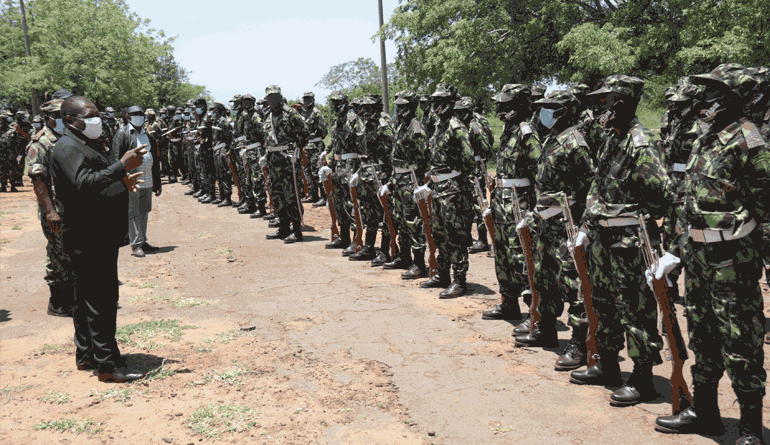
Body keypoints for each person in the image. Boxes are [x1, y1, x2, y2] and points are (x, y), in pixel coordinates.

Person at [653, 64, 768, 445]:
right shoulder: (705, 138)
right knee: (702, 335)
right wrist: (673, 251)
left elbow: (765, 208)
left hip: (732, 260)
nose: (706, 100)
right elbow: (686, 202)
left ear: (734, 98)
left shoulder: (750, 142)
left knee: (740, 342)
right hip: (698, 256)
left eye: (715, 93)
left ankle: (750, 428)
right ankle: (707, 414)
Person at [568, 75, 671, 409]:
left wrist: (626, 212)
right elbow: (596, 186)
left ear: (622, 104)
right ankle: (607, 365)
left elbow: (660, 197)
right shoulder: (610, 140)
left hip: (629, 240)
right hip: (601, 237)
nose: (600, 108)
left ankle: (642, 378)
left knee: (635, 308)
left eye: (604, 102)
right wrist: (586, 224)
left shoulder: (641, 142)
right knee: (602, 301)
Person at [50, 95, 146, 382]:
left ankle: (88, 354)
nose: (96, 120)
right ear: (69, 119)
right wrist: (122, 166)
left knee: (86, 298)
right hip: (88, 236)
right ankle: (107, 365)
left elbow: (94, 183)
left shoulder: (83, 143)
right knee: (101, 300)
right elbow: (83, 183)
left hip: (96, 233)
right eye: (89, 115)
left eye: (97, 114)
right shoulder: (67, 146)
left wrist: (121, 182)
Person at [513, 90, 594, 368]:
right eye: (543, 107)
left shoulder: (575, 143)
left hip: (566, 224)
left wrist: (580, 224)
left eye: (551, 108)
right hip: (546, 223)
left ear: (567, 110)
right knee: (543, 276)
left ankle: (579, 343)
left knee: (572, 284)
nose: (544, 113)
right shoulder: (551, 139)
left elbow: (587, 188)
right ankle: (545, 328)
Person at [482, 84, 541, 321]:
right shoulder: (509, 130)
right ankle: (509, 302)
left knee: (522, 255)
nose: (499, 108)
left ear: (518, 106)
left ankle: (533, 310)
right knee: (503, 254)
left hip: (520, 201)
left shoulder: (527, 132)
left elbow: (540, 170)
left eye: (505, 105)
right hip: (501, 201)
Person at [417, 83, 476, 298]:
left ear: (451, 104)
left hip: (453, 189)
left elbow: (469, 160)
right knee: (438, 233)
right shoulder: (439, 126)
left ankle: (459, 280)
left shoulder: (456, 127)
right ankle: (442, 274)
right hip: (438, 186)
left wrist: (455, 178)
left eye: (441, 102)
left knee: (455, 236)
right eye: (435, 102)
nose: (436, 107)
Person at [24, 99, 72, 317]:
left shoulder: (67, 137)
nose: (63, 118)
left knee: (68, 251)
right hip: (53, 208)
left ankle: (70, 297)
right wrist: (50, 211)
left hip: (70, 206)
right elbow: (37, 180)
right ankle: (58, 302)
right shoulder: (40, 142)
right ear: (47, 117)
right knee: (57, 252)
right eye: (59, 115)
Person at [383, 90, 430, 278]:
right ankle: (404, 257)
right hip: (399, 179)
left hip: (411, 180)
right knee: (401, 220)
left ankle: (419, 264)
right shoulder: (400, 126)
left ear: (411, 107)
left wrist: (421, 183)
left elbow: (424, 159)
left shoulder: (415, 128)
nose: (399, 110)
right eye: (398, 106)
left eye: (403, 107)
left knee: (413, 221)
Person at [112, 105, 162, 258]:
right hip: (132, 180)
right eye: (135, 114)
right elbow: (116, 158)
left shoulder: (148, 135)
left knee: (144, 211)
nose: (139, 116)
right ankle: (136, 245)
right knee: (133, 212)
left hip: (147, 179)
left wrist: (158, 182)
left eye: (141, 114)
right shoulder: (122, 133)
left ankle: (143, 240)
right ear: (127, 116)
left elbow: (156, 158)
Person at [261, 85, 309, 243]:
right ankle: (283, 228)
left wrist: (296, 149)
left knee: (291, 195)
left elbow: (304, 134)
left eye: (275, 96)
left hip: (287, 160)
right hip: (273, 159)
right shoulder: (267, 115)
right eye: (269, 97)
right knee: (277, 194)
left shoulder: (291, 113)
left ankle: (296, 230)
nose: (272, 100)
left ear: (280, 97)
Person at [322, 91, 358, 251]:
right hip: (337, 165)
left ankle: (357, 240)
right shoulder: (338, 121)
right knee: (338, 203)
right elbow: (335, 141)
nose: (336, 106)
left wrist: (358, 168)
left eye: (338, 102)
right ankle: (344, 238)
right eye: (333, 103)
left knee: (352, 203)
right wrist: (327, 155)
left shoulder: (353, 120)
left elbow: (360, 143)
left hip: (350, 165)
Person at [299, 92, 328, 206]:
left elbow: (324, 131)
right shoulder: (303, 114)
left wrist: (316, 140)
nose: (306, 101)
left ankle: (323, 196)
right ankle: (313, 195)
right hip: (306, 146)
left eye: (308, 99)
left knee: (317, 171)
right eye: (304, 99)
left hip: (316, 146)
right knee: (307, 171)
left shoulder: (316, 113)